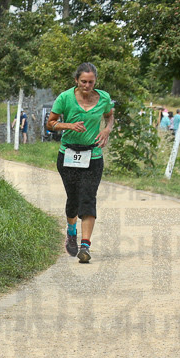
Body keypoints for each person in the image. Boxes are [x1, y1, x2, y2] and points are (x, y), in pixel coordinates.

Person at [46, 62, 115, 264]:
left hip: (93, 156)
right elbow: (50, 124)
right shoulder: (65, 98)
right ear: (76, 80)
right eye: (83, 81)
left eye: (91, 82)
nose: (87, 85)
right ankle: (71, 231)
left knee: (88, 197)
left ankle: (85, 246)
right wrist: (69, 125)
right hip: (68, 155)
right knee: (73, 200)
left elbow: (110, 116)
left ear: (95, 81)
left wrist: (107, 129)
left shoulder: (104, 98)